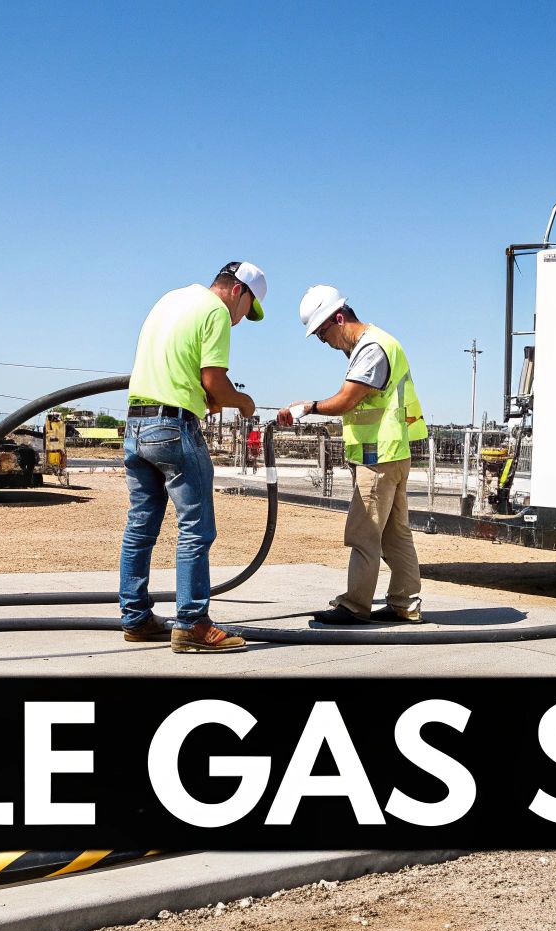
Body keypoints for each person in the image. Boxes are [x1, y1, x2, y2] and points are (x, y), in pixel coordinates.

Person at [120, 261, 263, 652]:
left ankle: (135, 619)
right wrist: (243, 402)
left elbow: (178, 371)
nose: (239, 321)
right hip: (172, 429)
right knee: (197, 529)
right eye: (246, 310)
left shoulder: (171, 299)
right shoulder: (216, 310)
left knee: (140, 527)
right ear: (238, 291)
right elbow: (213, 380)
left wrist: (204, 400)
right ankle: (192, 624)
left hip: (135, 426)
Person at [280, 285, 427, 625]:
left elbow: (348, 398)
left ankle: (355, 606)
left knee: (364, 533)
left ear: (339, 318)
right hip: (392, 454)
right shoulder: (377, 343)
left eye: (321, 333)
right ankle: (405, 602)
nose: (324, 342)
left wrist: (309, 407)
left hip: (378, 459)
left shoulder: (372, 348)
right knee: (395, 534)